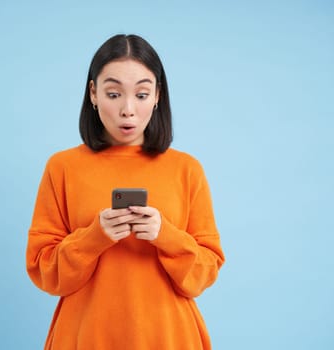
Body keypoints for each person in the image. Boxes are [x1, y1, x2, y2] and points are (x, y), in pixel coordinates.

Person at [26, 34, 225, 350]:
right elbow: (44, 271)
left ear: (158, 95)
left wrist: (164, 234)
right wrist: (95, 236)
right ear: (93, 93)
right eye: (114, 93)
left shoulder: (187, 169)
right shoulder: (62, 167)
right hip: (85, 336)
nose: (128, 110)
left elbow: (204, 274)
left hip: (170, 336)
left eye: (142, 94)